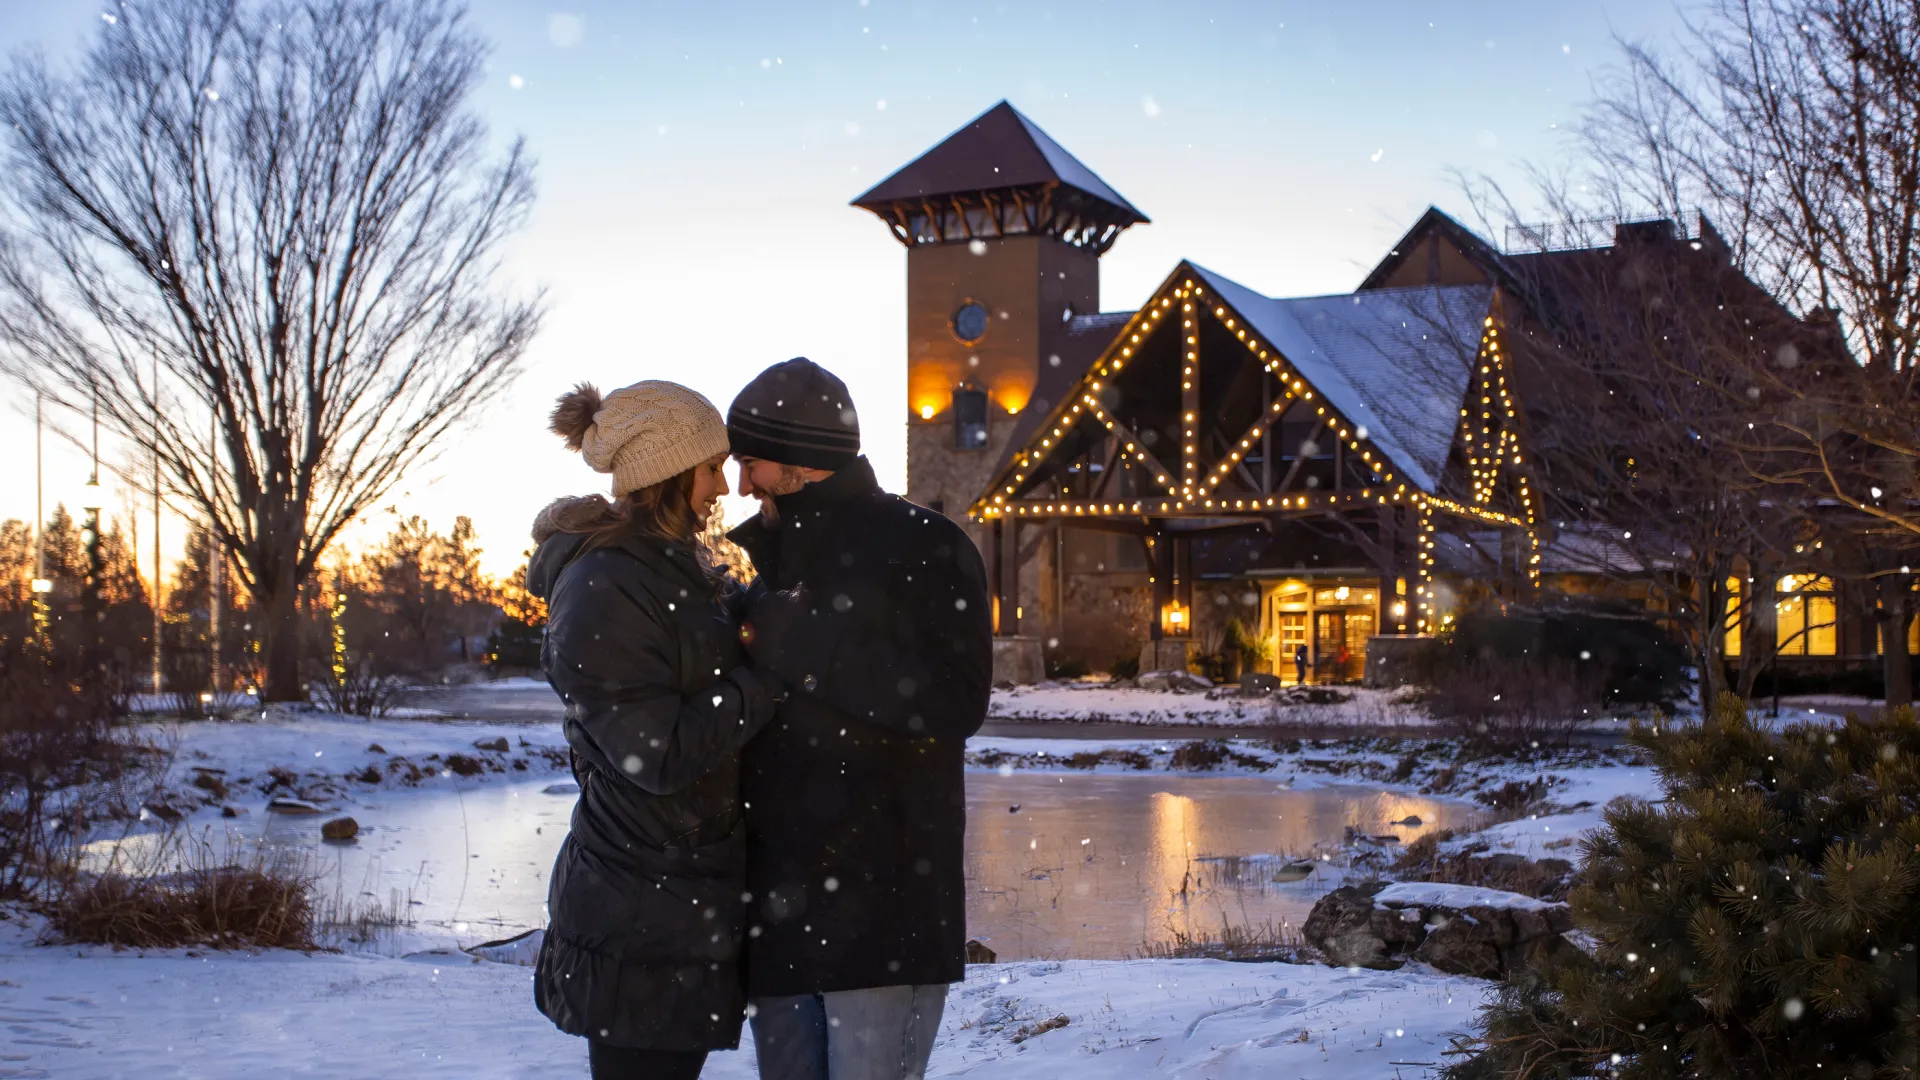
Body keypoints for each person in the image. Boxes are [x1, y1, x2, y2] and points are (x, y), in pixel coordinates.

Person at [723, 357, 992, 1080]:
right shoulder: (754, 563)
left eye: (750, 462)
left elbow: (955, 701)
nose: (740, 484)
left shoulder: (929, 547)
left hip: (886, 914)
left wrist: (803, 643)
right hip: (775, 915)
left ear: (803, 462)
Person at [526, 380, 787, 1080]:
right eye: (710, 468)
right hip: (638, 906)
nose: (722, 487)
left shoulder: (677, 571)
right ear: (667, 473)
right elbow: (656, 754)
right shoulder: (606, 586)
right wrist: (766, 678)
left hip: (677, 901)